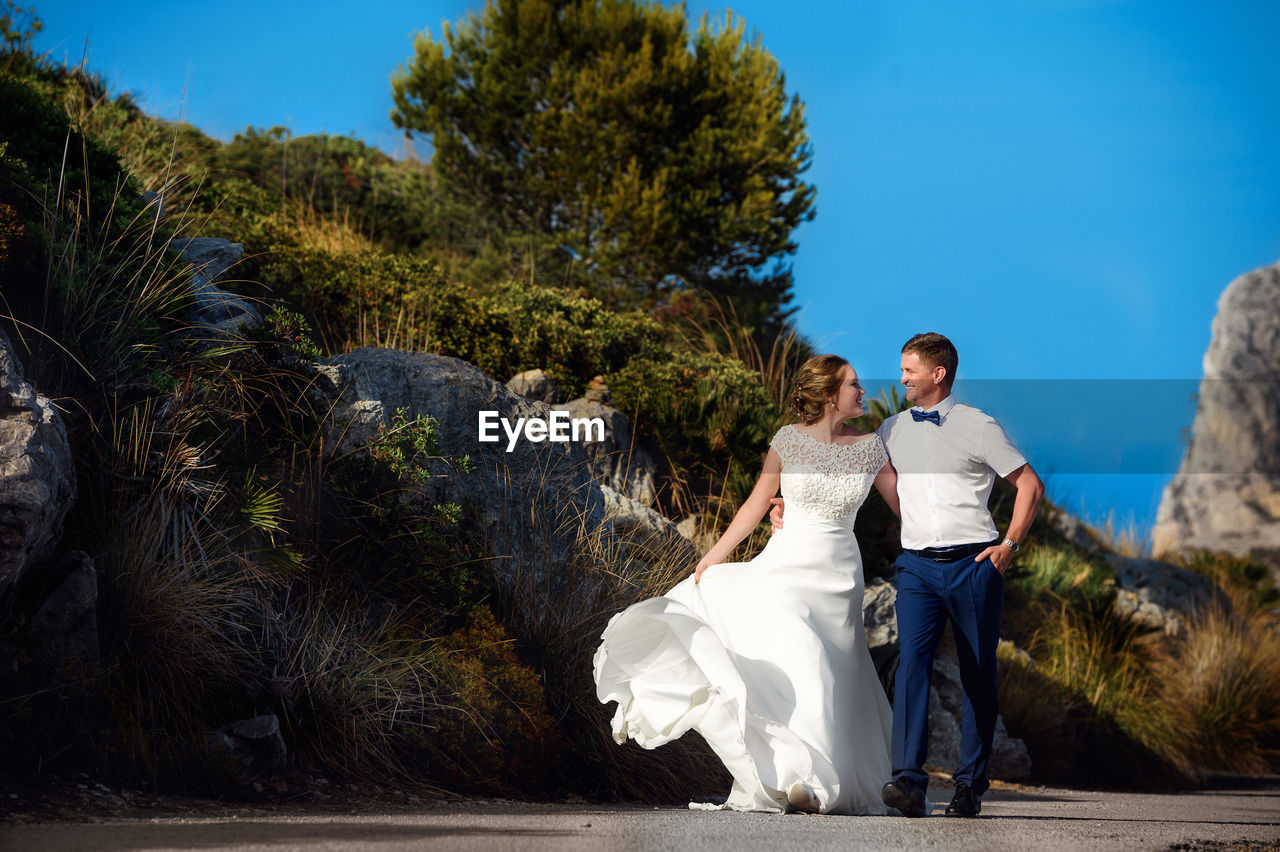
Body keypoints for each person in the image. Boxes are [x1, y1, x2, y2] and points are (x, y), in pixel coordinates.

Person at [593, 354, 901, 814]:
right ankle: (804, 781)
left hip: (840, 573)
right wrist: (711, 559)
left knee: (837, 673)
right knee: (804, 657)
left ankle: (823, 778)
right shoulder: (787, 442)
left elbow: (906, 511)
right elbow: (757, 504)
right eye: (854, 385)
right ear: (827, 394)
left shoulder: (872, 448)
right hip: (787, 561)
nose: (863, 392)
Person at [775, 333, 1043, 818]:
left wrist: (1008, 546)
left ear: (937, 375)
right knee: (911, 667)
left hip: (974, 564)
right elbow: (840, 468)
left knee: (978, 675)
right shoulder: (890, 430)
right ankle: (909, 782)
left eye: (909, 370)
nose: (900, 379)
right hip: (916, 566)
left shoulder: (980, 427)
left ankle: (968, 787)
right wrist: (785, 505)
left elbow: (1029, 485)